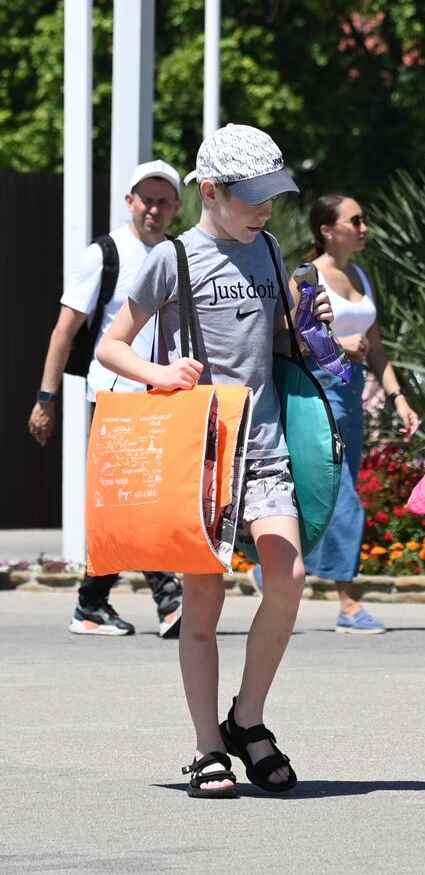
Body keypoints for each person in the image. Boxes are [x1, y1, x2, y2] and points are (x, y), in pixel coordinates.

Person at [96, 123, 330, 798]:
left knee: (287, 576)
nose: (267, 209)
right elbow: (114, 347)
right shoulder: (174, 256)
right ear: (211, 191)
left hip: (265, 447)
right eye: (253, 197)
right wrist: (161, 372)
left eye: (272, 197)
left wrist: (308, 332)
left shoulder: (270, 250)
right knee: (202, 602)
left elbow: (280, 347)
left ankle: (246, 718)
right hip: (201, 454)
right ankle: (207, 747)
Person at [28, 160, 186, 639]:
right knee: (137, 502)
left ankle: (92, 604)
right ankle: (169, 598)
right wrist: (44, 398)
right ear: (130, 201)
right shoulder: (106, 253)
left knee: (133, 503)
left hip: (166, 396)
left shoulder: (180, 254)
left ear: (177, 207)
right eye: (146, 199)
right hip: (115, 396)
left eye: (163, 201)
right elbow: (64, 330)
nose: (154, 209)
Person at [296, 194, 420, 635]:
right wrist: (339, 346)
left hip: (352, 392)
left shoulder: (360, 274)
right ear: (327, 229)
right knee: (344, 496)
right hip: (319, 389)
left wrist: (398, 398)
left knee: (328, 495)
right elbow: (293, 337)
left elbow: (378, 347)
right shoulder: (308, 276)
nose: (365, 226)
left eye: (365, 219)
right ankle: (349, 605)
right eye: (356, 220)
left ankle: (271, 568)